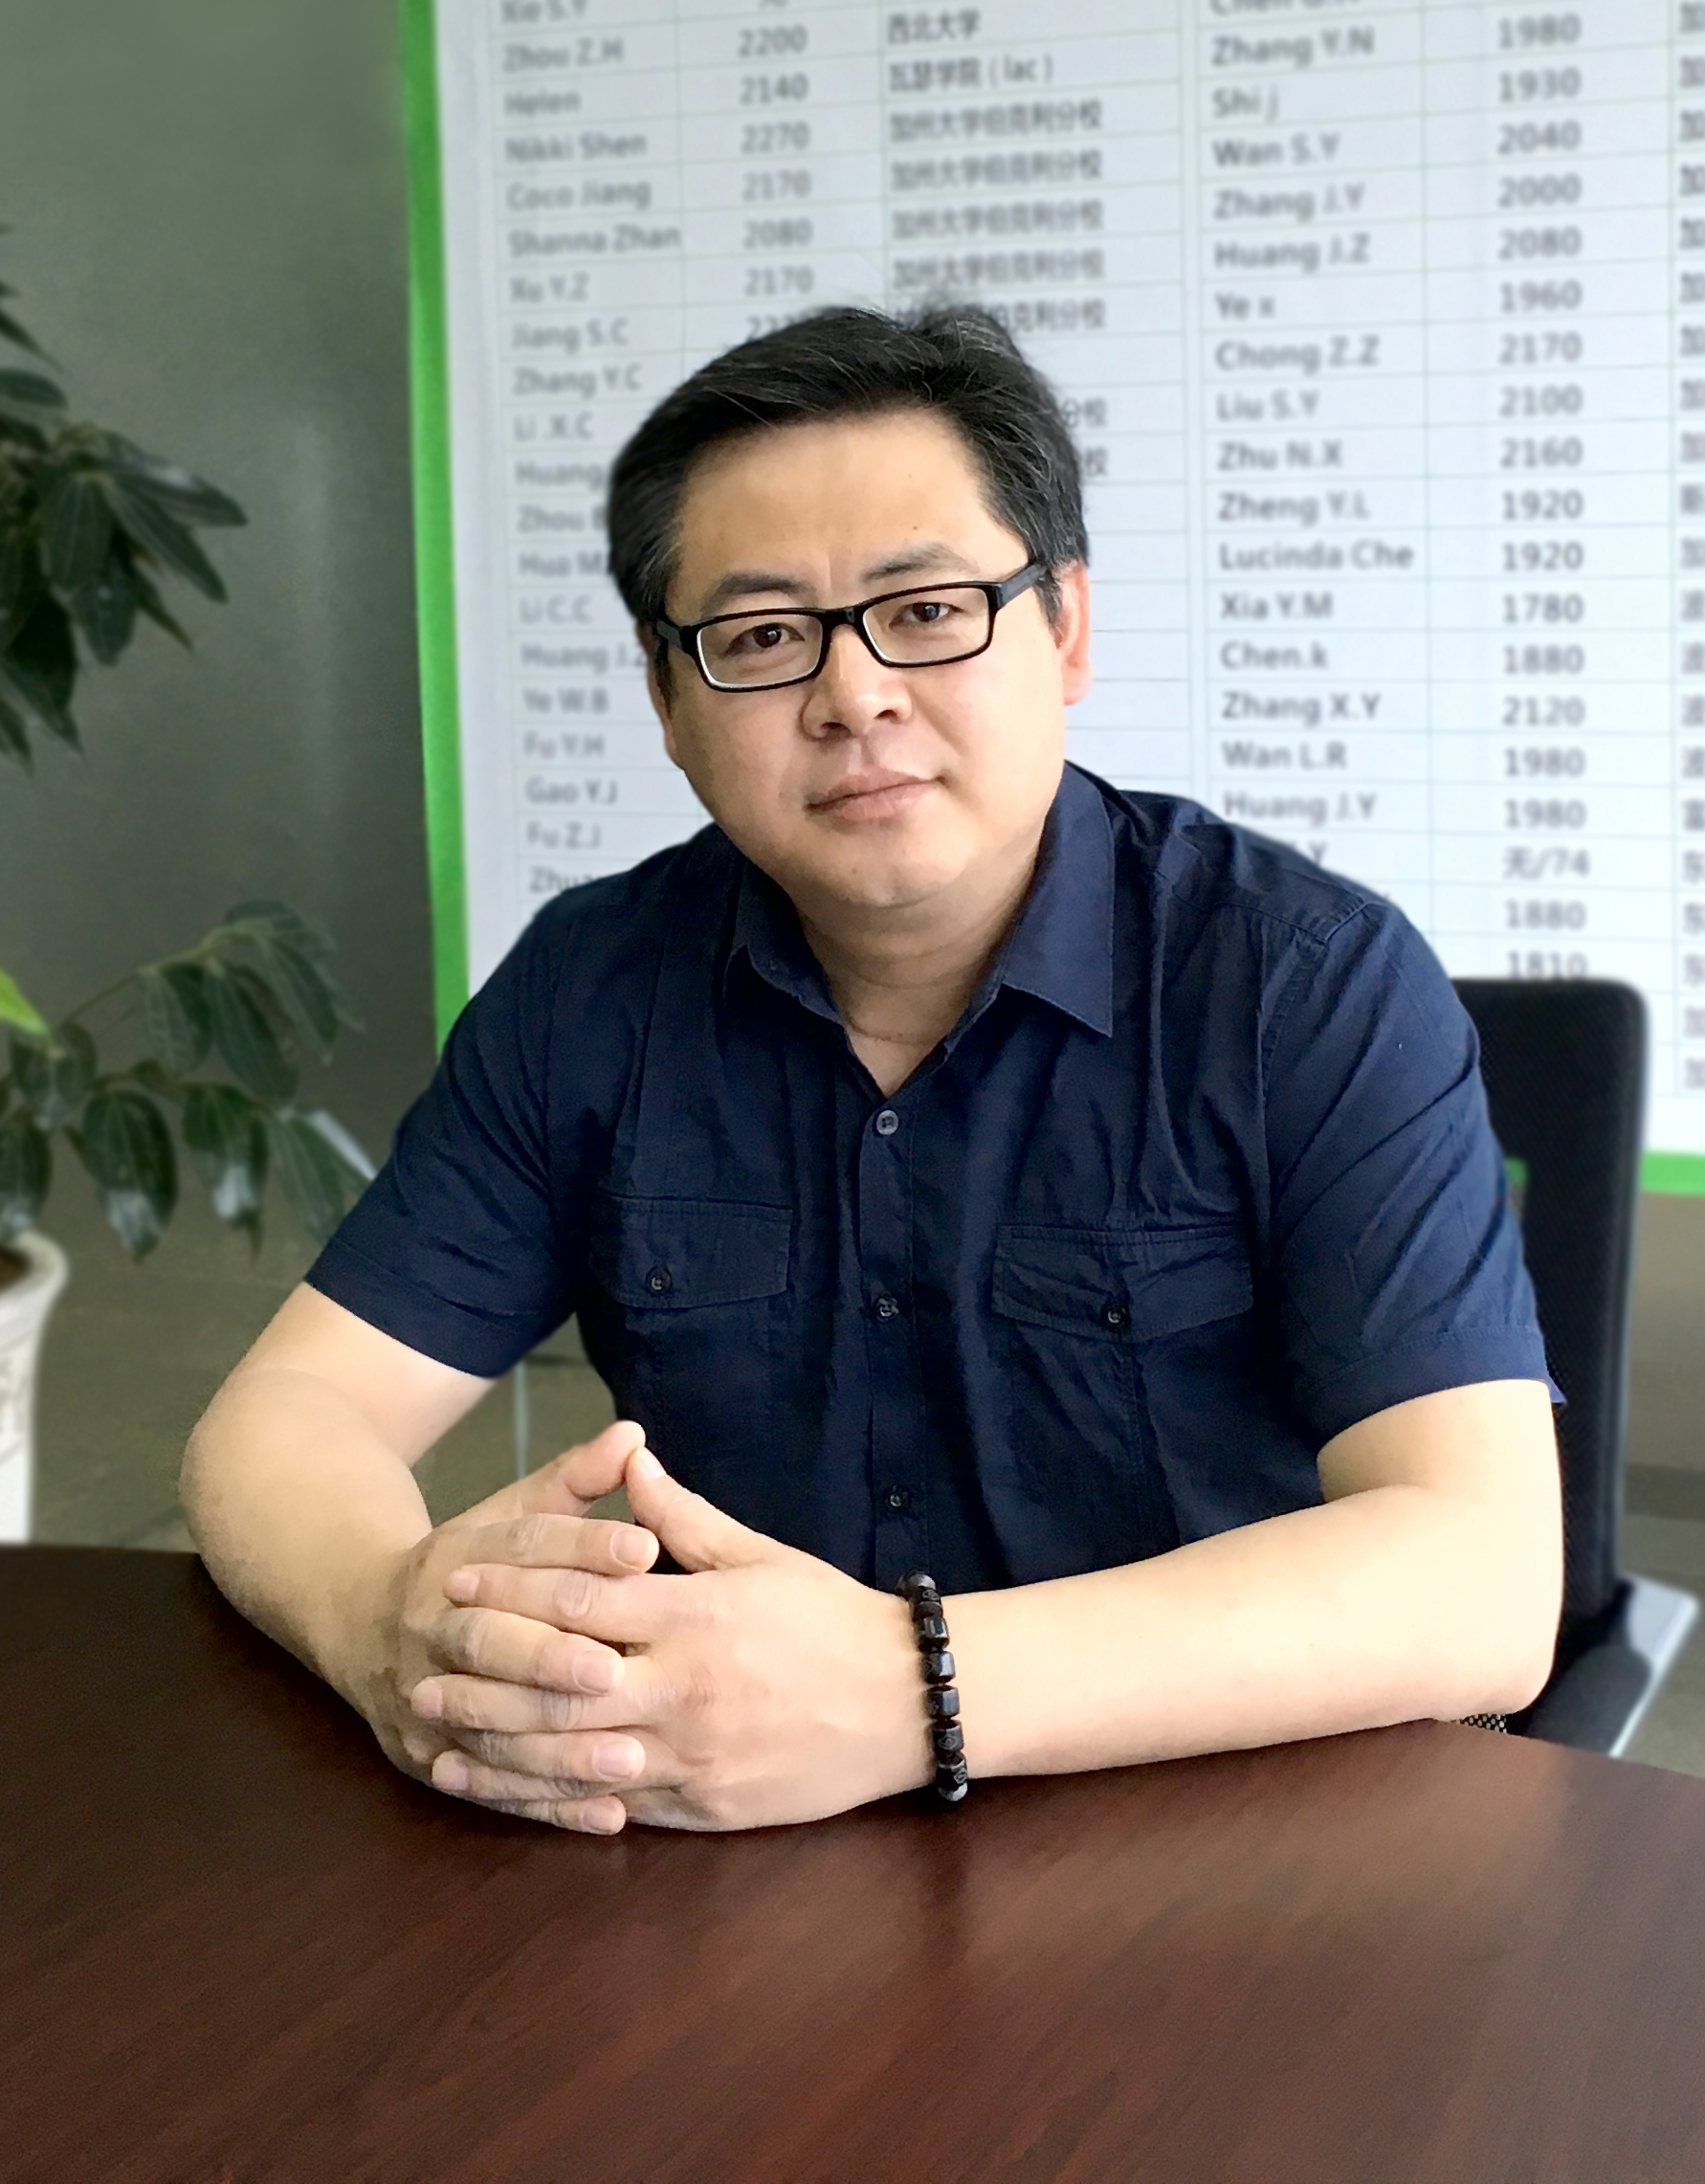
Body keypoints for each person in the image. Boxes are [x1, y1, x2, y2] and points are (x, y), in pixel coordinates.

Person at [183, 304, 1562, 1838]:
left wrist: (911, 1688)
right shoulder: (591, 990)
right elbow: (283, 1417)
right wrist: (386, 1622)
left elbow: (1481, 1574)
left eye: (926, 609)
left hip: (1221, 1840)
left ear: (1065, 628)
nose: (853, 695)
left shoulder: (1303, 985)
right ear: (668, 701)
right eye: (763, 637)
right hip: (736, 1850)